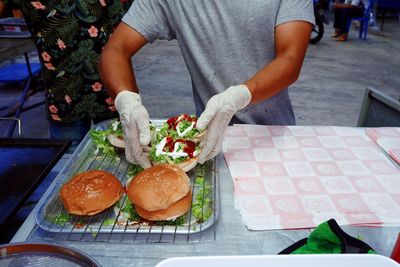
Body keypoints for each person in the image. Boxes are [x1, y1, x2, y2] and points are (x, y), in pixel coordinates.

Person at [99, 0, 314, 168]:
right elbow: (116, 49)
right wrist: (126, 100)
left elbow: (291, 58)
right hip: (206, 141)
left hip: (273, 136)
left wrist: (240, 95)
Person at [0, 0, 133, 149]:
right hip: (63, 99)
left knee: (120, 163)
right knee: (67, 164)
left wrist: (131, 96)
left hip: (112, 93)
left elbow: (124, 34)